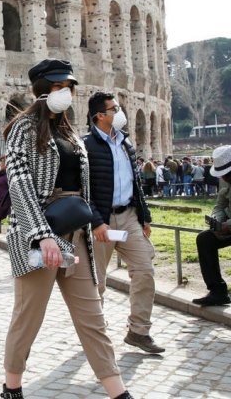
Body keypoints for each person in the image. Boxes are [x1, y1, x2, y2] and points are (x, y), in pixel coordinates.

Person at [0, 59, 133, 399]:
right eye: (57, 87)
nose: (64, 93)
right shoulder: (25, 127)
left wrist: (97, 222)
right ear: (41, 91)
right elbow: (19, 182)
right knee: (28, 318)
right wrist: (42, 234)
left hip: (76, 234)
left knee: (93, 317)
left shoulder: (69, 130)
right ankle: (11, 388)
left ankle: (118, 392)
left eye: (68, 87)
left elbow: (86, 186)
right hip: (38, 233)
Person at [82, 91, 163, 354]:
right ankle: (96, 333)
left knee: (145, 271)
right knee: (97, 282)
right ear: (99, 116)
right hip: (101, 221)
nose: (120, 112)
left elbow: (136, 184)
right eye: (114, 109)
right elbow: (82, 191)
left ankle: (139, 331)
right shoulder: (85, 146)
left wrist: (145, 216)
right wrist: (96, 222)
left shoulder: (126, 144)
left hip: (128, 216)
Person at [192, 145, 231, 306]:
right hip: (227, 225)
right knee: (205, 239)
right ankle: (217, 290)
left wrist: (228, 225)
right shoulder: (225, 180)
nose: (225, 178)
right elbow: (220, 204)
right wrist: (217, 221)